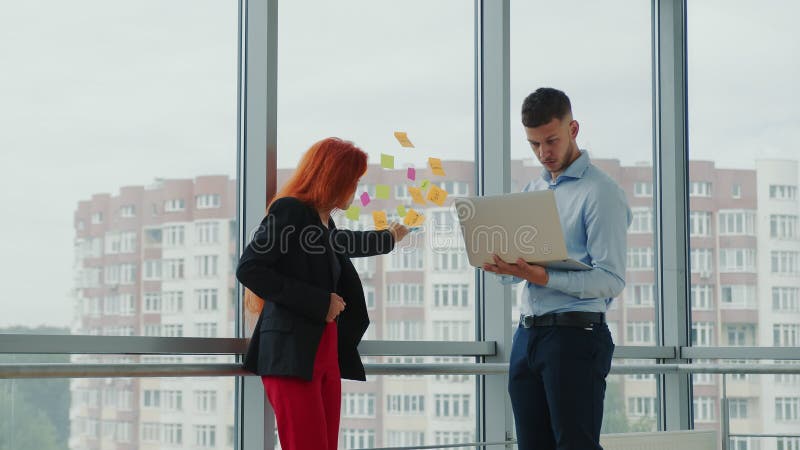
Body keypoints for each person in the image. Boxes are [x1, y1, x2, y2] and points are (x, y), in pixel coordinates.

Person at [236, 137, 410, 450]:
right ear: (333, 178)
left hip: (324, 351)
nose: (355, 191)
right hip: (292, 355)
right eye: (352, 182)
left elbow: (346, 243)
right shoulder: (290, 211)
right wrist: (320, 302)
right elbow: (250, 269)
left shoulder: (324, 223)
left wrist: (389, 238)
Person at [482, 88, 631, 450]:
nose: (543, 153)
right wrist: (506, 266)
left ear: (573, 128)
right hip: (528, 337)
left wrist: (544, 276)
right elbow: (528, 266)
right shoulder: (534, 189)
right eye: (534, 144)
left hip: (575, 338)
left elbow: (611, 279)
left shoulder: (600, 192)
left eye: (551, 140)